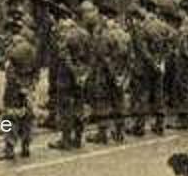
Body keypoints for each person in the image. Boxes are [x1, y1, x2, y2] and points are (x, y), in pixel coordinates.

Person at [0, 20, 37, 160]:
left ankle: (9, 148)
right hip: (29, 87)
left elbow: (10, 72)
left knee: (10, 118)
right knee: (27, 117)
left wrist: (18, 87)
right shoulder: (32, 49)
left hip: (14, 90)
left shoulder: (13, 50)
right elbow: (36, 71)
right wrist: (29, 87)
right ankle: (26, 146)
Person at [86, 15, 132, 145]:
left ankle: (102, 134)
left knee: (102, 102)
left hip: (106, 75)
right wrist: (123, 75)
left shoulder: (105, 36)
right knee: (118, 101)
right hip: (121, 73)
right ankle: (119, 132)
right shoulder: (125, 35)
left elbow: (104, 57)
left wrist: (113, 75)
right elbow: (130, 57)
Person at [49, 18, 92, 150]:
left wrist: (75, 73)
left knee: (65, 109)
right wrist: (83, 74)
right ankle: (78, 138)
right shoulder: (85, 34)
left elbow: (64, 57)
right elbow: (90, 56)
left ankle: (66, 140)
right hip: (82, 76)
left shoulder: (65, 36)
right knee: (79, 106)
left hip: (66, 77)